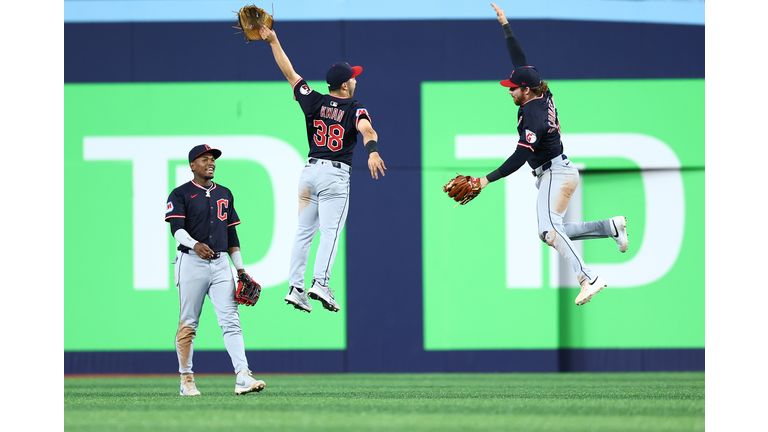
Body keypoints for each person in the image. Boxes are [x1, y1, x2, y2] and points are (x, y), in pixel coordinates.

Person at [478, 3, 629, 305]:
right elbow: (521, 62)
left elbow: (520, 157)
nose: (509, 91)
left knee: (549, 231)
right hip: (556, 170)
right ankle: (609, 227)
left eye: (513, 88)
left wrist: (486, 179)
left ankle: (589, 278)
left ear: (526, 91)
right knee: (550, 231)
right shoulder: (541, 90)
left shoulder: (533, 115)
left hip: (554, 173)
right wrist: (505, 25)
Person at [257, 26, 387, 313]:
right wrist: (373, 151)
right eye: (352, 77)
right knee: (330, 232)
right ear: (344, 86)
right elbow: (367, 129)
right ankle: (321, 283)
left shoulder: (313, 100)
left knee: (304, 232)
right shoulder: (355, 106)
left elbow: (289, 73)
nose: (355, 80)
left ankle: (295, 287)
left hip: (309, 174)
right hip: (334, 177)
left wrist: (274, 40)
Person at [165, 144, 266, 395]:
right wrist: (195, 244)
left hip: (221, 264)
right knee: (189, 323)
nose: (210, 163)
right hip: (191, 261)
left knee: (231, 321)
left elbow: (231, 232)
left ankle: (243, 375)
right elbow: (176, 229)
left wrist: (240, 270)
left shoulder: (225, 193)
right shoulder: (180, 194)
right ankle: (186, 379)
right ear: (192, 165)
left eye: (212, 159)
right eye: (204, 159)